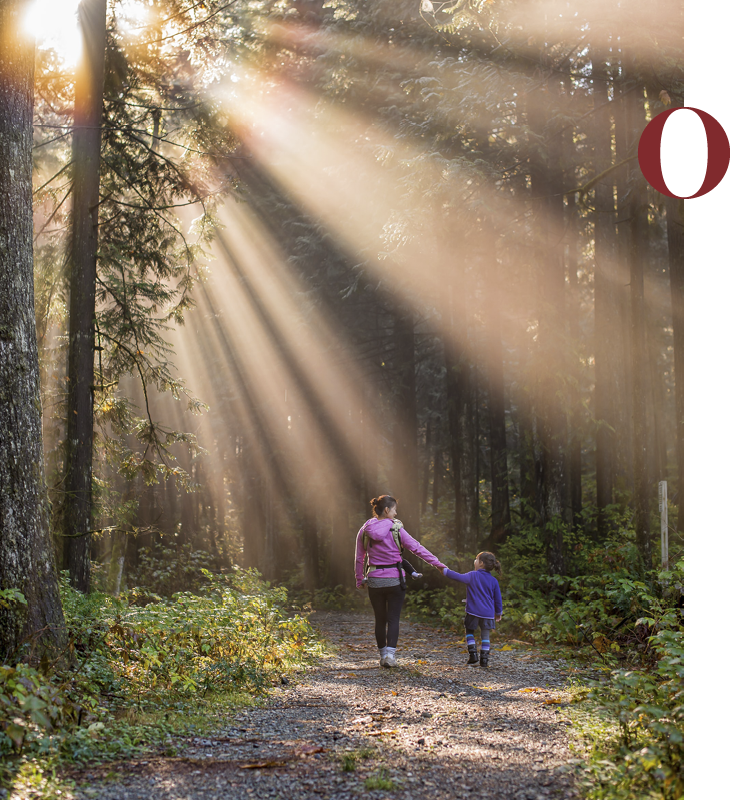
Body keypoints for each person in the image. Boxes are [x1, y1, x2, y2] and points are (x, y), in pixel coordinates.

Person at [355, 495, 445, 668]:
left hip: (374, 580)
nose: (396, 513)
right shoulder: (396, 528)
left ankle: (382, 656)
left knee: (379, 619)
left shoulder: (365, 529)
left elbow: (359, 558)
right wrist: (438, 564)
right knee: (393, 618)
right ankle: (390, 656)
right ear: (387, 510)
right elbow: (417, 548)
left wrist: (360, 579)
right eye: (395, 509)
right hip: (395, 580)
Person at [442, 551, 502, 667]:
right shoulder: (494, 581)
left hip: (473, 611)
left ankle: (473, 654)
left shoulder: (472, 575)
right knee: (485, 635)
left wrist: (444, 570)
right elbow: (498, 599)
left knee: (469, 631)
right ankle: (484, 659)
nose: (474, 561)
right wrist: (498, 613)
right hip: (488, 613)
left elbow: (457, 577)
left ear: (481, 563)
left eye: (476, 559)